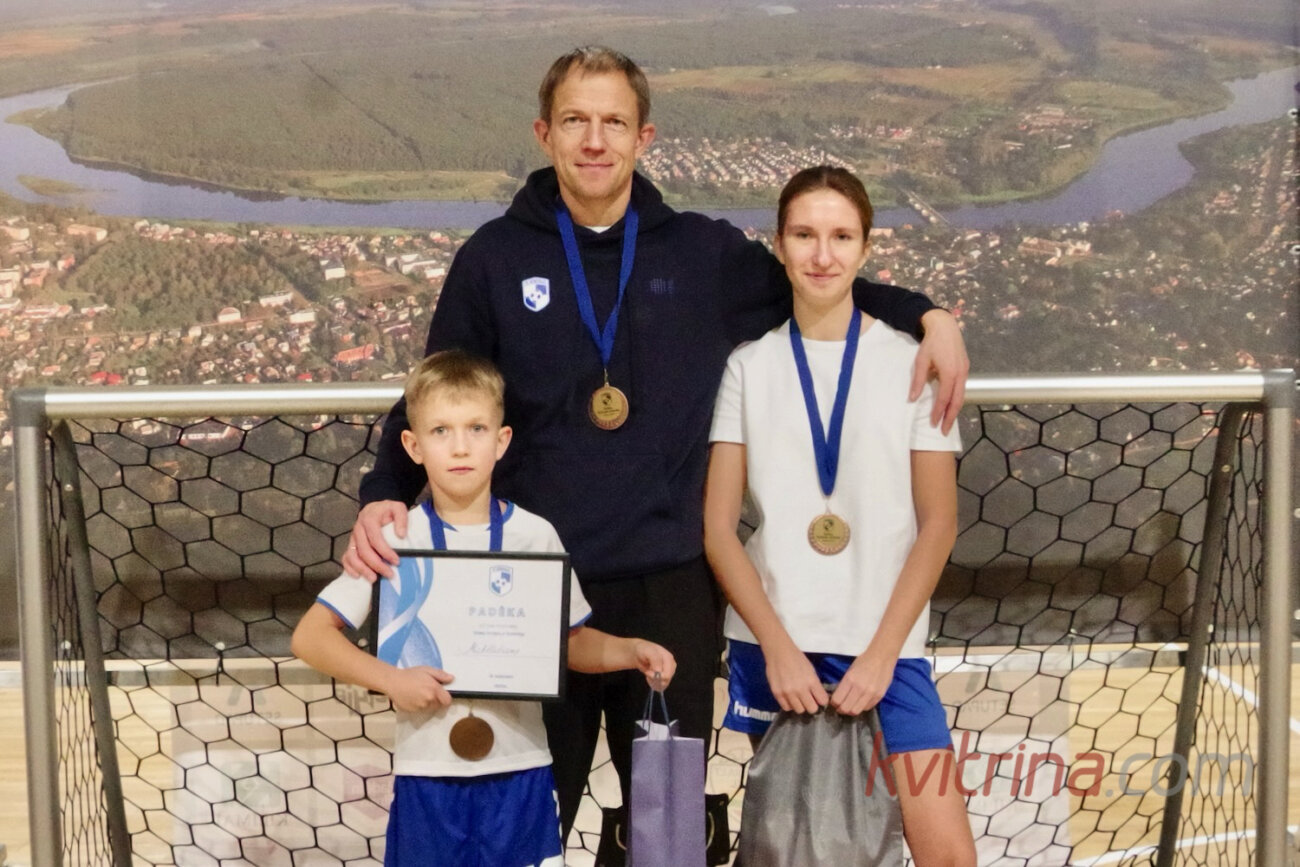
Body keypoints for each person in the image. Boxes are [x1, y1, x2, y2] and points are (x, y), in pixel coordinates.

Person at [343, 46, 971, 839]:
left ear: (645, 138)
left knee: (665, 831)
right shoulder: (494, 259)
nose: (594, 140)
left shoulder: (703, 253)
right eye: (575, 120)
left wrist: (926, 314)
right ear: (544, 133)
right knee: (530, 821)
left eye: (614, 122)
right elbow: (437, 392)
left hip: (672, 591)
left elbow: (818, 277)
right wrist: (384, 492)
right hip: (533, 585)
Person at [293, 350, 677, 867]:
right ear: (412, 446)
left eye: (476, 428)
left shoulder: (535, 536)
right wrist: (392, 680)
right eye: (441, 431)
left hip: (522, 771)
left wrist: (631, 651)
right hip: (427, 777)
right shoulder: (395, 540)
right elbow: (310, 637)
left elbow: (568, 645)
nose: (460, 446)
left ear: (502, 440)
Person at [702, 165, 976, 866]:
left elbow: (939, 524)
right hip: (777, 648)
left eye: (841, 236)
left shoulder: (914, 364)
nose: (822, 254)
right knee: (802, 852)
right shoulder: (747, 366)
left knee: (949, 854)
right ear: (779, 244)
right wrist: (778, 648)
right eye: (804, 235)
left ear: (866, 247)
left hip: (887, 648)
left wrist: (882, 655)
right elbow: (719, 529)